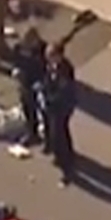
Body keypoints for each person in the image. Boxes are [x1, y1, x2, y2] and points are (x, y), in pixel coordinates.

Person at [41, 42, 79, 184]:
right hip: (53, 105)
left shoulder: (65, 70)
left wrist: (49, 98)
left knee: (59, 133)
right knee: (57, 131)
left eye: (51, 55)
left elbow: (62, 91)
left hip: (62, 106)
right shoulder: (51, 65)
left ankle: (66, 163)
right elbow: (48, 80)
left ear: (59, 56)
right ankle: (60, 154)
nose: (47, 58)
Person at [11, 29, 48, 147]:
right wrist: (16, 70)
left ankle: (48, 137)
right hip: (25, 83)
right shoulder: (18, 48)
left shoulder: (43, 50)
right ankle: (32, 133)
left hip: (39, 84)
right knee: (28, 109)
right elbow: (16, 62)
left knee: (44, 112)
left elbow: (46, 68)